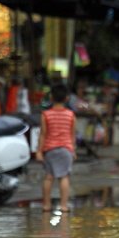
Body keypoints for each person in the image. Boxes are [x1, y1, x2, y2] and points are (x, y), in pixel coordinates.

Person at [36, 84, 77, 212]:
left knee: (49, 177)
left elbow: (43, 134)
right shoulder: (71, 115)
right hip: (66, 149)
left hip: (50, 149)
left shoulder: (45, 114)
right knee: (64, 177)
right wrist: (73, 151)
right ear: (67, 98)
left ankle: (46, 205)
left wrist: (39, 151)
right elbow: (72, 135)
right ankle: (63, 206)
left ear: (51, 98)